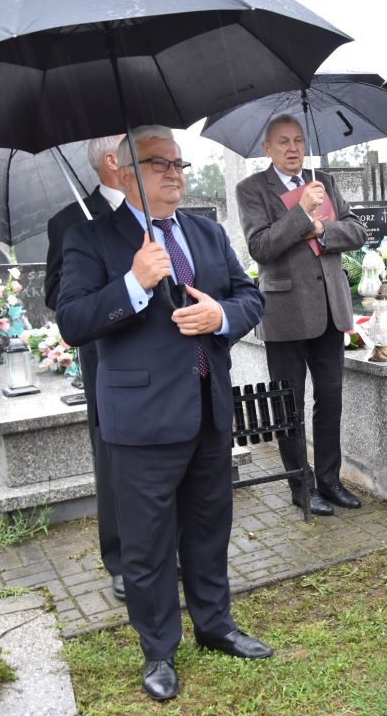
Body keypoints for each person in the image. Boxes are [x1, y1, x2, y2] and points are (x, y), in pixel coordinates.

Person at [56, 126, 268, 702]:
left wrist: (219, 317)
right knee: (148, 546)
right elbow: (73, 321)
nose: (175, 172)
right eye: (158, 163)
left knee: (208, 528)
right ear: (124, 174)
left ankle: (215, 624)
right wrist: (133, 282)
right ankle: (158, 650)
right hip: (142, 419)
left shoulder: (206, 231)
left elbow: (251, 296)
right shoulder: (90, 239)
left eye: (178, 162)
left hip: (208, 407)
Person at [235, 114, 367, 516]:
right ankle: (300, 485)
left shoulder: (322, 180)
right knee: (288, 404)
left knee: (331, 399)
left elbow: (357, 231)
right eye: (283, 142)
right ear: (267, 148)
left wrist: (321, 231)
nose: (293, 149)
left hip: (330, 310)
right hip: (285, 312)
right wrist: (301, 216)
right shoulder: (252, 189)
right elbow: (260, 245)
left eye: (298, 140)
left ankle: (329, 480)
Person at [43, 135, 127, 602]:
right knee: (111, 454)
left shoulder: (151, 210)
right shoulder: (70, 220)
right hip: (104, 354)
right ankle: (119, 557)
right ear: (113, 160)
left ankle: (165, 548)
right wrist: (106, 286)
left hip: (157, 351)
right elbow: (57, 295)